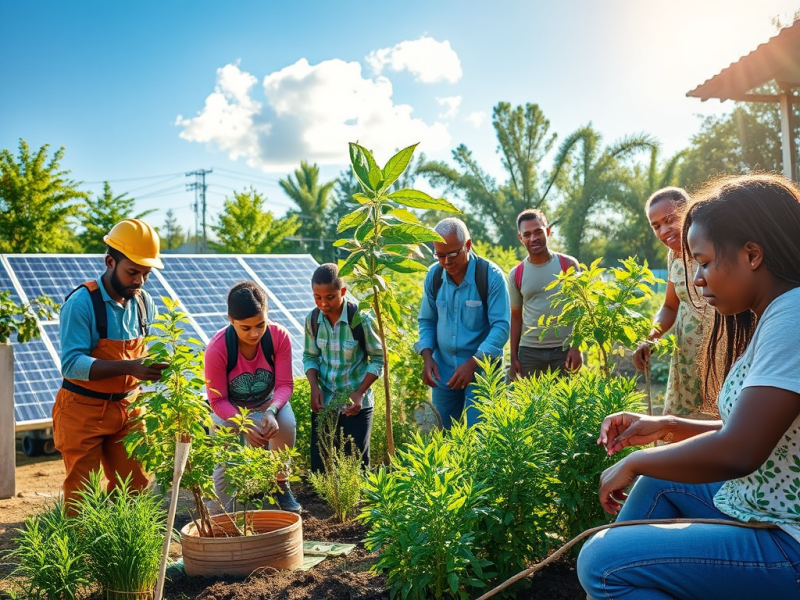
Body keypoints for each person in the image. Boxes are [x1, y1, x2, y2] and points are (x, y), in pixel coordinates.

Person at [577, 173, 800, 599]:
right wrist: (667, 426)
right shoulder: (779, 312)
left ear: (752, 254)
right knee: (658, 484)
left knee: (600, 563)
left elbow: (740, 451)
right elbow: (760, 435)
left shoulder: (792, 319)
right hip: (766, 505)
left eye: (704, 262)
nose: (697, 278)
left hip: (789, 540)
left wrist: (637, 460)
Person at [54, 218, 167, 512]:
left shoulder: (144, 303)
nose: (140, 280)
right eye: (132, 272)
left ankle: (123, 552)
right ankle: (80, 555)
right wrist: (131, 367)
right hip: (83, 410)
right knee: (83, 494)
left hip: (128, 409)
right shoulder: (82, 303)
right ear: (109, 261)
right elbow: (71, 365)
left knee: (135, 487)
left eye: (146, 273)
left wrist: (151, 368)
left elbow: (144, 356)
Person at [204, 281, 300, 513]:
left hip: (268, 403)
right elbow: (217, 400)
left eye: (260, 324)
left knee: (286, 425)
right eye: (245, 328)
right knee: (225, 453)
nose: (255, 333)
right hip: (230, 408)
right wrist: (245, 424)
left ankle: (280, 485)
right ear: (230, 320)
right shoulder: (218, 348)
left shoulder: (278, 337)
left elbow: (285, 385)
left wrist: (272, 411)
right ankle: (222, 508)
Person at [415, 217, 510, 428]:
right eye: (440, 255)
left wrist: (474, 362)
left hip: (482, 372)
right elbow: (427, 320)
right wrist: (427, 355)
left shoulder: (490, 276)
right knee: (444, 434)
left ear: (468, 245)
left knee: (480, 435)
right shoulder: (434, 276)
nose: (447, 262)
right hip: (444, 370)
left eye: (452, 254)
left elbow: (501, 326)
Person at [632, 187, 713, 418]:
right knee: (686, 428)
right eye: (656, 226)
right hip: (687, 359)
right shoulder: (673, 257)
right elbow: (669, 306)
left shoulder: (713, 246)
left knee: (722, 425)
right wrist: (650, 338)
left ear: (689, 212)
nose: (663, 230)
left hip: (721, 352)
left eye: (669, 220)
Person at [303, 263, 384, 473]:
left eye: (330, 297)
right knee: (322, 468)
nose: (323, 303)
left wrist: (360, 393)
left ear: (343, 292)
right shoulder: (312, 320)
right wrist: (314, 387)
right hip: (326, 402)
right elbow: (310, 357)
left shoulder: (361, 319)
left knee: (356, 469)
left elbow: (378, 358)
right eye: (317, 297)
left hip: (356, 406)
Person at [507, 209, 581, 379]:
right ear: (520, 238)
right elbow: (516, 317)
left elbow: (580, 310)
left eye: (538, 231)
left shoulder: (568, 265)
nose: (533, 238)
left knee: (565, 404)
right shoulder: (516, 274)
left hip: (564, 351)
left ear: (547, 232)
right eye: (527, 234)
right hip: (530, 353)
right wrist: (513, 358)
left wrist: (576, 347)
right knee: (530, 404)